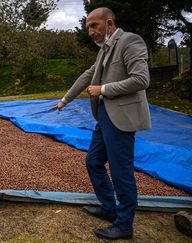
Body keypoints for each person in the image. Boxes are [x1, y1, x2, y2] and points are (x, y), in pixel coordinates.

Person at [50, 7, 151, 240]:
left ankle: (124, 225)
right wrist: (65, 100)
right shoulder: (104, 50)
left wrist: (103, 89)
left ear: (109, 24)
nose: (90, 31)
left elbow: (141, 79)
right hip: (104, 115)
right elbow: (87, 75)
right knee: (93, 161)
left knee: (120, 172)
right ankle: (109, 207)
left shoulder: (130, 41)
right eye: (87, 27)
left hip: (121, 117)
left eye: (93, 26)